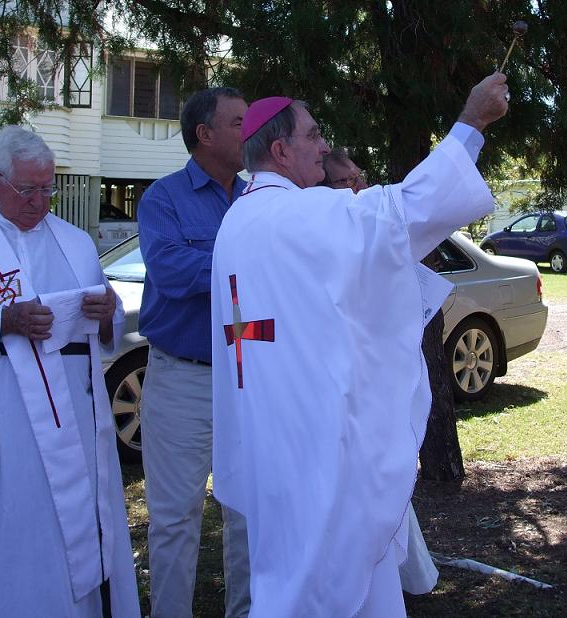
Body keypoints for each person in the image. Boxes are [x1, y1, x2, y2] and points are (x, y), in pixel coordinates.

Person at [210, 72, 509, 617]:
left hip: (270, 437)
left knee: (286, 569)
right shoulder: (295, 214)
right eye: (313, 135)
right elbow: (403, 216)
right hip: (318, 446)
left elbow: (330, 298)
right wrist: (471, 124)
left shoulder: (239, 221)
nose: (325, 146)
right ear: (279, 149)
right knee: (325, 581)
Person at [0, 126, 142, 618]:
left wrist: (108, 316)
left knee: (72, 526)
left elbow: (106, 324)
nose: (41, 201)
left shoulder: (75, 242)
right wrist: (3, 320)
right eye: (29, 189)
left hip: (74, 417)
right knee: (8, 521)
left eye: (48, 188)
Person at [137, 87, 251, 618]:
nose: (248, 132)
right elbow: (171, 272)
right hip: (183, 380)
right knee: (175, 519)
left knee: (248, 512)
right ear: (204, 135)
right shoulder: (163, 199)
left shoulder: (258, 199)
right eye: (236, 123)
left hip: (248, 376)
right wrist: (248, 266)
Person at [322, 145, 440, 596]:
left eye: (360, 176)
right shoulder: (327, 239)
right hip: (347, 393)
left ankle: (406, 576)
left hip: (381, 388)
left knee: (388, 489)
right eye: (347, 181)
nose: (360, 186)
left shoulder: (372, 229)